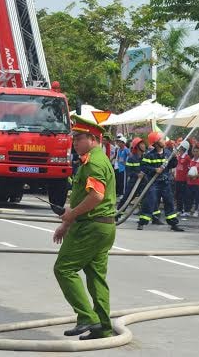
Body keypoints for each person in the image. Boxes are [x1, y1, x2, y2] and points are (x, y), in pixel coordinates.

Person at [52, 114, 117, 341]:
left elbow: (96, 196)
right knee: (96, 277)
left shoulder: (95, 162)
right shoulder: (94, 160)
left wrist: (71, 215)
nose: (74, 142)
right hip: (101, 227)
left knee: (64, 269)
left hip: (91, 226)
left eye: (78, 138)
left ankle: (87, 317)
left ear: (93, 137)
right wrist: (66, 224)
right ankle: (103, 327)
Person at [137, 131, 183, 231]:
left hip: (165, 182)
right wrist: (155, 170)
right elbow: (144, 167)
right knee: (150, 202)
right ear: (156, 143)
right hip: (154, 183)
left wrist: (174, 157)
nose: (163, 141)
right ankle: (142, 222)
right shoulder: (150, 155)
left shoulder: (168, 153)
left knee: (169, 202)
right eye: (161, 139)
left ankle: (173, 224)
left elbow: (173, 165)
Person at [186, 144, 199, 216]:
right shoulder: (191, 160)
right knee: (189, 197)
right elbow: (189, 170)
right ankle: (188, 211)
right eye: (194, 151)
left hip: (198, 182)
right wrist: (188, 175)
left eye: (197, 151)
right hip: (190, 182)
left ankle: (196, 211)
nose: (195, 153)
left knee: (197, 197)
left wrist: (195, 176)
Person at [174, 141, 191, 216]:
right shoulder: (179, 156)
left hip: (184, 179)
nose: (179, 149)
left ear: (184, 148)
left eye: (181, 148)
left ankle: (186, 210)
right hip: (178, 179)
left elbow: (189, 168)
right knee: (178, 195)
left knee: (184, 195)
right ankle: (179, 209)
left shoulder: (187, 157)